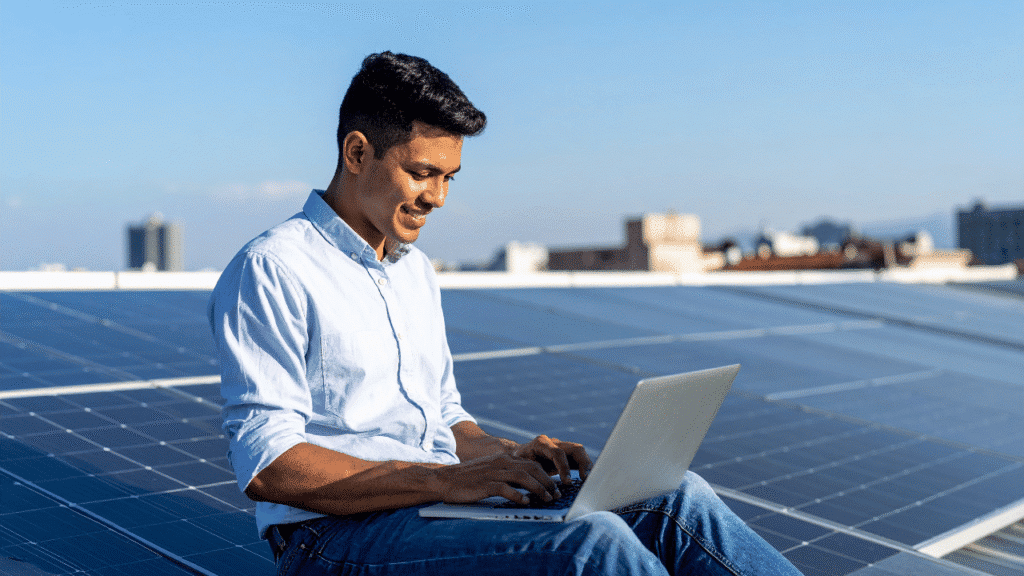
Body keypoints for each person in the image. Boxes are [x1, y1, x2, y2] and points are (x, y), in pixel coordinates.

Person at [209, 51, 803, 576]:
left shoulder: (413, 272)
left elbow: (443, 423)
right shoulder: (274, 268)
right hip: (331, 540)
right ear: (358, 152)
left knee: (675, 497)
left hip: (432, 509)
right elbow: (270, 465)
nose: (437, 197)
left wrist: (509, 456)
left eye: (448, 178)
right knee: (591, 545)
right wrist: (446, 481)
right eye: (421, 173)